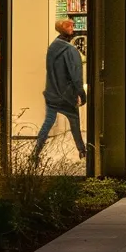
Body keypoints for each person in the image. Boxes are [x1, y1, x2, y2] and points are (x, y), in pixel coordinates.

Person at [34, 19, 87, 162]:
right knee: (75, 122)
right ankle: (82, 151)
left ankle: (35, 153)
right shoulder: (70, 50)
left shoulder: (52, 47)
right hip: (67, 96)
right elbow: (76, 76)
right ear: (66, 29)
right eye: (70, 26)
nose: (73, 28)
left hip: (51, 93)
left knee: (48, 122)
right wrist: (81, 93)